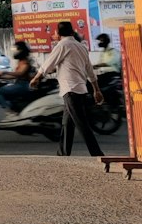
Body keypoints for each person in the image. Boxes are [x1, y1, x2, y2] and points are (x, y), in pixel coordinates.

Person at [32, 20, 104, 157]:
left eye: (55, 32)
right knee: (67, 124)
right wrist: (96, 89)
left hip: (70, 90)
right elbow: (89, 69)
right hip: (80, 89)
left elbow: (48, 64)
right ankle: (63, 154)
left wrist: (36, 78)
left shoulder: (62, 45)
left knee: (82, 124)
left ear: (59, 33)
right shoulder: (80, 46)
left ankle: (97, 153)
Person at [0, 41, 37, 112]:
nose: (15, 52)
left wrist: (5, 72)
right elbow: (15, 76)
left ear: (21, 50)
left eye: (16, 50)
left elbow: (20, 73)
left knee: (0, 91)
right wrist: (0, 77)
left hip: (24, 85)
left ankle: (8, 112)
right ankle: (13, 108)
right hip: (19, 83)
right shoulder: (20, 61)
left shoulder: (25, 62)